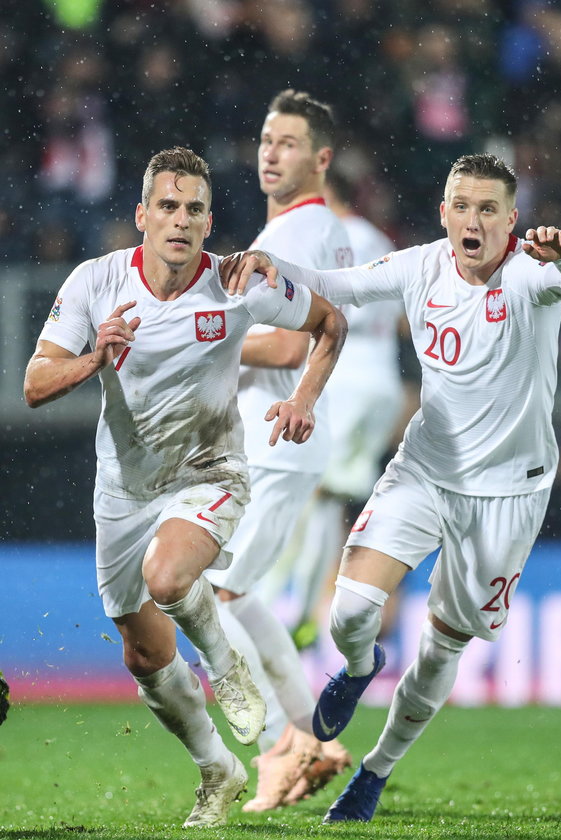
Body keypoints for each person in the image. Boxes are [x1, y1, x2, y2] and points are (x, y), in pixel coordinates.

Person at [221, 152, 561, 822]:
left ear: (511, 219)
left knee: (442, 647)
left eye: (489, 209)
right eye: (463, 205)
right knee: (350, 613)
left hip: (508, 495)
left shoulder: (531, 273)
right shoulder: (421, 265)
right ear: (445, 211)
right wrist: (273, 271)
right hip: (425, 470)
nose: (474, 219)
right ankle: (360, 667)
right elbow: (335, 283)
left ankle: (375, 771)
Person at [22, 147, 347, 828]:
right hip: (123, 490)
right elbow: (34, 384)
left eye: (194, 209)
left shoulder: (239, 283)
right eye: (167, 207)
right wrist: (92, 358)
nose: (180, 220)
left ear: (208, 223)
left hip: (209, 473)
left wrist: (305, 400)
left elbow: (329, 324)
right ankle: (216, 767)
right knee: (142, 654)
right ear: (142, 216)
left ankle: (226, 666)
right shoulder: (95, 281)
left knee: (169, 579)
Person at [202, 89, 353, 811]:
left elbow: (292, 341)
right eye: (266, 139)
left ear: (321, 158)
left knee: (211, 593)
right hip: (282, 440)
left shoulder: (293, 237)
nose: (270, 152)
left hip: (277, 437)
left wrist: (206, 346)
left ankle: (280, 748)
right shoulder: (319, 231)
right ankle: (311, 736)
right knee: (239, 592)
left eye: (287, 142)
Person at [277, 168, 404, 650]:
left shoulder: (331, 238)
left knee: (313, 495)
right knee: (336, 503)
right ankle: (325, 608)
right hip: (382, 383)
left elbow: (312, 310)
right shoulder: (381, 242)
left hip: (344, 380)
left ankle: (299, 610)